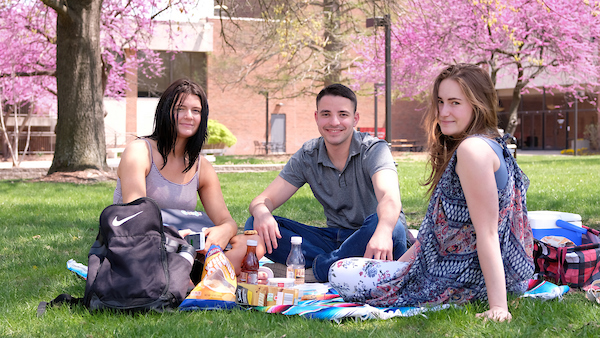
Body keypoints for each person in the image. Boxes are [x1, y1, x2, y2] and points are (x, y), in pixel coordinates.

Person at [328, 64, 534, 322]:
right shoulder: (493, 143)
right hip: (476, 274)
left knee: (338, 271)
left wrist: (498, 307)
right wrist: (399, 270)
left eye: (455, 103)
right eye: (440, 101)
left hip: (463, 280)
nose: (444, 112)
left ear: (477, 105)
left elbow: (488, 233)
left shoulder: (472, 151)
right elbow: (436, 235)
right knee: (367, 266)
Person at [245, 83, 408, 282]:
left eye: (343, 114)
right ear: (316, 118)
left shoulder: (374, 149)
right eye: (326, 114)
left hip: (377, 239)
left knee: (391, 225)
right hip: (333, 241)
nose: (334, 121)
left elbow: (390, 198)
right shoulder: (308, 155)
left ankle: (316, 272)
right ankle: (338, 265)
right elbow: (263, 200)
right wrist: (262, 212)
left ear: (355, 118)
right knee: (255, 223)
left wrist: (382, 231)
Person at [113, 78, 246, 273]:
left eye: (196, 111)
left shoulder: (202, 166)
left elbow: (226, 220)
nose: (188, 116)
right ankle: (208, 277)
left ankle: (201, 278)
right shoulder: (139, 151)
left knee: (250, 243)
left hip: (185, 246)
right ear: (166, 112)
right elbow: (136, 217)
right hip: (142, 243)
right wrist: (173, 236)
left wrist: (223, 231)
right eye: (180, 109)